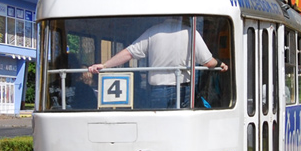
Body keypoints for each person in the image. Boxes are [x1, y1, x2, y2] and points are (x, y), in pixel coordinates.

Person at [89, 18, 228, 108]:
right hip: (183, 89)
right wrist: (220, 64)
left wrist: (105, 65)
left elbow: (129, 53)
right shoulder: (190, 32)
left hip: (158, 91)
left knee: (158, 126)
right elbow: (208, 62)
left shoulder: (153, 32)